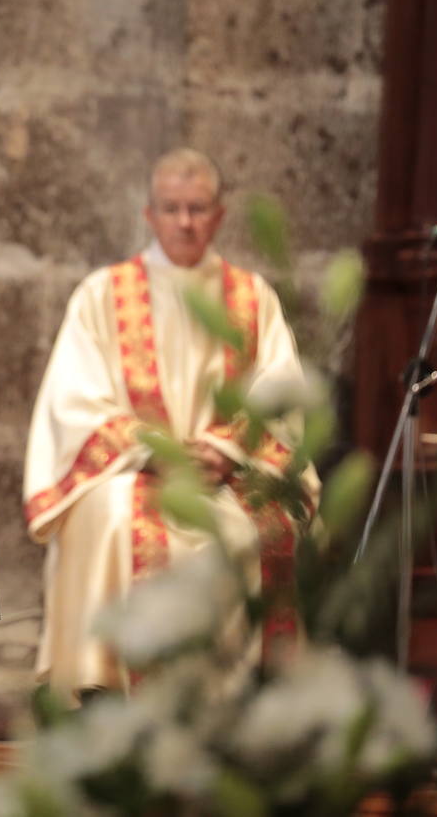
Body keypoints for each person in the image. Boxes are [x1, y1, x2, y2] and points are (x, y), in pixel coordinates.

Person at [23, 147, 318, 700]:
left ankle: (239, 701)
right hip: (133, 470)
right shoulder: (102, 294)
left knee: (252, 529)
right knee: (111, 516)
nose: (185, 221)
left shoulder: (253, 298)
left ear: (220, 215)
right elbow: (75, 400)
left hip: (225, 473)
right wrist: (155, 449)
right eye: (172, 208)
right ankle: (106, 690)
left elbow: (279, 393)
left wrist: (227, 450)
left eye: (198, 208)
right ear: (149, 214)